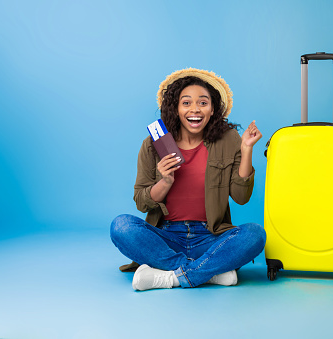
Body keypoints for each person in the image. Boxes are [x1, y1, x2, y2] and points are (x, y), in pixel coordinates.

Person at [110, 68, 266, 291]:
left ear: (213, 110)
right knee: (121, 226)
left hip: (211, 237)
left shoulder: (228, 139)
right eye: (186, 103)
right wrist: (164, 181)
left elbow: (241, 197)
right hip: (166, 237)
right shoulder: (152, 144)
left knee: (255, 234)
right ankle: (208, 272)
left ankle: (170, 277)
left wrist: (246, 149)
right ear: (175, 108)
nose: (195, 109)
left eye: (203, 103)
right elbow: (141, 202)